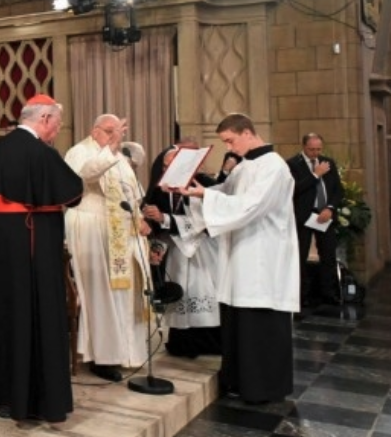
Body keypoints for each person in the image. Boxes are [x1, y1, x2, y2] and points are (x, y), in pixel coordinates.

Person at [0, 95, 83, 423]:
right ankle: (33, 400)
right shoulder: (40, 152)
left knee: (1, 313)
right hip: (29, 241)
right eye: (58, 125)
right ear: (45, 118)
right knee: (32, 314)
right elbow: (74, 192)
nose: (57, 131)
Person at [179, 114, 298, 403]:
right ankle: (239, 380)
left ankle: (264, 387)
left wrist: (206, 195)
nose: (229, 148)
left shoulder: (274, 167)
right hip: (240, 254)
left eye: (231, 141)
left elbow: (250, 206)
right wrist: (196, 192)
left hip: (262, 257)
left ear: (248, 132)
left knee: (259, 320)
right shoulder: (244, 167)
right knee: (237, 320)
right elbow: (224, 194)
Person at [64, 114, 150, 381]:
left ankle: (126, 352)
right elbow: (85, 175)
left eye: (117, 131)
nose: (115, 136)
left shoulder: (119, 156)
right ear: (94, 130)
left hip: (120, 230)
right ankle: (102, 357)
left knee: (123, 293)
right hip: (91, 226)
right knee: (100, 294)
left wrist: (141, 217)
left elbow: (132, 190)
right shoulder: (79, 151)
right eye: (108, 131)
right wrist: (110, 148)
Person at [143, 145, 221, 358]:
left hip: (203, 250)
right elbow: (154, 226)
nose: (170, 168)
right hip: (175, 252)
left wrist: (164, 218)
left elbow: (204, 222)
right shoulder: (158, 189)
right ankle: (182, 343)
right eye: (167, 164)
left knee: (203, 292)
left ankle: (210, 343)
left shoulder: (205, 184)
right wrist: (152, 224)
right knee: (182, 295)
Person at [287, 133, 344, 307]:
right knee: (300, 256)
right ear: (304, 146)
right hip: (303, 216)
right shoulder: (292, 164)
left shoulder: (328, 163)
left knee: (328, 255)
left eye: (319, 149)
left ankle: (328, 293)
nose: (315, 153)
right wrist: (314, 175)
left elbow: (338, 190)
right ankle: (302, 295)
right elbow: (292, 190)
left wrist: (330, 208)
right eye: (311, 149)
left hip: (324, 215)